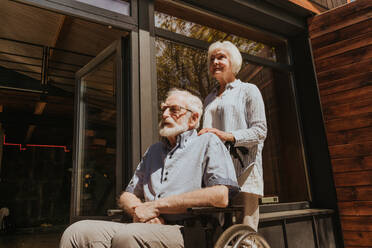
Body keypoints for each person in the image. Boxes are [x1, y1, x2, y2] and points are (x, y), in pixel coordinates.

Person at [60, 88, 239, 248]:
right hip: (145, 225)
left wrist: (156, 207)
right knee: (76, 232)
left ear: (193, 118)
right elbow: (128, 195)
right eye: (164, 109)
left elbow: (220, 195)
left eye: (174, 110)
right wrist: (140, 211)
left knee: (128, 236)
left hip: (191, 230)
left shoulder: (208, 142)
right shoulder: (154, 150)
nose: (165, 115)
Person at [198, 41, 267, 231]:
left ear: (233, 61)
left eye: (221, 57)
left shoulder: (248, 90)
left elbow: (260, 131)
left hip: (244, 168)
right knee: (218, 228)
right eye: (212, 59)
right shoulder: (209, 98)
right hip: (217, 171)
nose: (215, 62)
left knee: (245, 229)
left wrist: (227, 135)